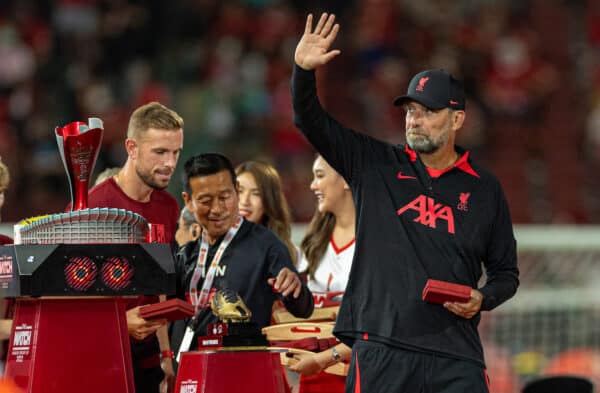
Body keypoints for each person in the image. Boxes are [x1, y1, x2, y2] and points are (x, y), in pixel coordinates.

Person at [292, 13, 519, 393]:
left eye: (428, 111)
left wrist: (483, 298)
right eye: (411, 110)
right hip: (381, 346)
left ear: (457, 119)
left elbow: (505, 273)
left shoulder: (485, 189)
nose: (415, 119)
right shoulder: (373, 163)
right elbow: (308, 120)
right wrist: (302, 72)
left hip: (455, 354)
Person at [170, 153, 314, 360]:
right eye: (206, 200)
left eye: (225, 197)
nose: (217, 209)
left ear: (235, 191)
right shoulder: (185, 247)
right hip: (185, 370)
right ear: (189, 201)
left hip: (241, 371)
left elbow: (304, 308)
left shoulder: (266, 244)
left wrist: (295, 288)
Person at [86, 101, 184, 393]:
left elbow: (160, 287)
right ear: (131, 148)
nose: (170, 163)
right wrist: (118, 323)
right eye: (160, 152)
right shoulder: (94, 208)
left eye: (176, 152)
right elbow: (65, 300)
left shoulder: (167, 206)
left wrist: (167, 355)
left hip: (149, 360)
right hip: (100, 357)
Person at [288, 155, 355, 392]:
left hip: (358, 370)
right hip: (314, 370)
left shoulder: (375, 241)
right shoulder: (314, 241)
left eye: (319, 176)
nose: (312, 185)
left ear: (346, 180)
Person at [235, 160, 297, 265]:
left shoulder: (284, 252)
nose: (245, 201)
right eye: (239, 191)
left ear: (270, 201)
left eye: (256, 193)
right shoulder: (209, 245)